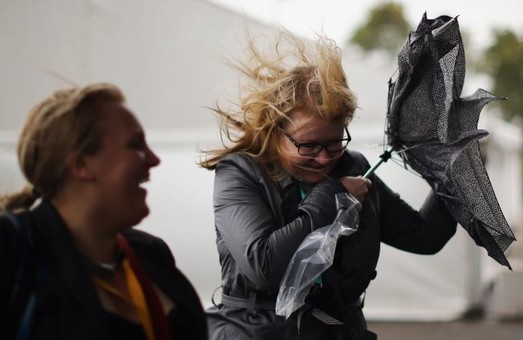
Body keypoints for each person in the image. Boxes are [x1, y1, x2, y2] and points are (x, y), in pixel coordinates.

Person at [199, 30, 457, 340]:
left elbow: (424, 236)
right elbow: (264, 266)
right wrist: (335, 197)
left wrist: (448, 172)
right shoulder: (241, 172)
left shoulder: (355, 166)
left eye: (336, 143)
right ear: (274, 130)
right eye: (308, 146)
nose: (324, 159)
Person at [0, 83, 208, 340]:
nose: (154, 159)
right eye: (136, 144)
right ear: (80, 164)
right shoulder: (13, 250)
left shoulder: (151, 254)